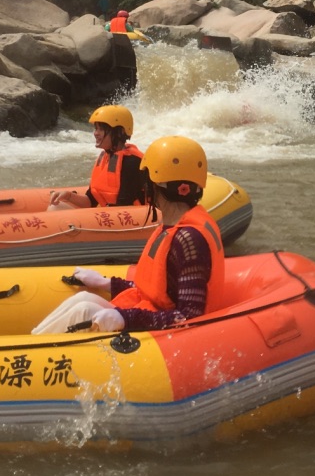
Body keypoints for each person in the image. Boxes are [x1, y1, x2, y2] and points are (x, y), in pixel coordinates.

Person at [33, 135, 225, 334]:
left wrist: (127, 319)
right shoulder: (172, 226)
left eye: (147, 180)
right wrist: (106, 283)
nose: (144, 187)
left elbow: (190, 316)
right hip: (150, 313)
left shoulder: (188, 239)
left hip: (166, 336)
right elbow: (154, 289)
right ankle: (32, 343)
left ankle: (33, 355)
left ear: (157, 186)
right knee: (83, 300)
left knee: (85, 311)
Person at [48, 105, 147, 210]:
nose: (95, 133)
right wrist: (69, 196)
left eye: (101, 129)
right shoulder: (106, 159)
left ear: (120, 132)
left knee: (54, 210)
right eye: (96, 129)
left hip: (128, 219)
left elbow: (123, 207)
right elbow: (90, 201)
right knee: (54, 207)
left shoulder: (132, 163)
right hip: (111, 215)